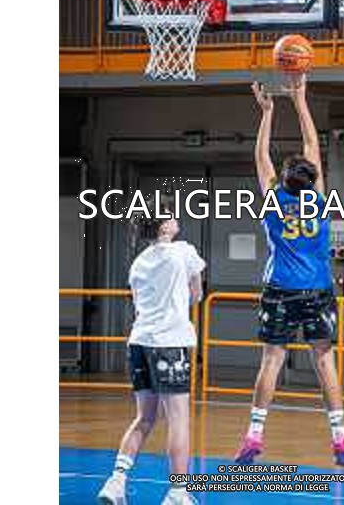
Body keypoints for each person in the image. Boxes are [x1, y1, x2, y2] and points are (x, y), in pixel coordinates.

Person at [234, 78, 344, 467]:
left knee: (271, 361)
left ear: (283, 180)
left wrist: (267, 111)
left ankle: (254, 436)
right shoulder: (318, 199)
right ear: (312, 179)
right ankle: (340, 439)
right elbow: (312, 144)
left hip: (280, 289)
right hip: (318, 289)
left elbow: (260, 155)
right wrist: (300, 99)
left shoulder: (272, 198)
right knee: (324, 361)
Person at [98, 201, 205, 505]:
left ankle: (116, 483)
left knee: (144, 418)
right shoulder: (184, 251)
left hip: (139, 343)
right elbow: (197, 295)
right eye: (172, 216)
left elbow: (139, 302)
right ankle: (178, 493)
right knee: (178, 420)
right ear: (164, 225)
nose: (177, 219)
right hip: (169, 344)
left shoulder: (138, 263)